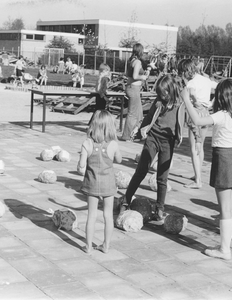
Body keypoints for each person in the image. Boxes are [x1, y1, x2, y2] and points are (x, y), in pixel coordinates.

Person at [181, 77, 232, 260]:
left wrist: (186, 99)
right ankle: (225, 247)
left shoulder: (222, 115)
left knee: (225, 209)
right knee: (229, 208)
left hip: (223, 158)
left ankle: (224, 250)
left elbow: (197, 120)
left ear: (221, 96)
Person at [119, 75, 187, 220]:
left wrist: (180, 138)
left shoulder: (180, 104)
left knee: (162, 177)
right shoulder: (158, 102)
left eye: (163, 93)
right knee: (141, 170)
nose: (161, 96)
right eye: (159, 94)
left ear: (171, 90)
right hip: (153, 138)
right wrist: (139, 129)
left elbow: (182, 122)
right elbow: (149, 118)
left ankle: (160, 209)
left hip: (168, 142)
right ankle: (126, 201)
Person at [78, 110, 122, 254]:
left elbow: (80, 167)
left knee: (91, 216)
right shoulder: (113, 144)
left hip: (92, 183)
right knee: (108, 216)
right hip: (108, 184)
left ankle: (88, 247)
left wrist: (83, 168)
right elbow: (119, 160)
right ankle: (106, 246)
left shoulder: (87, 143)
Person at [178, 59, 216, 189]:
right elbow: (219, 86)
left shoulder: (191, 84)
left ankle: (198, 181)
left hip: (195, 113)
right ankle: (198, 174)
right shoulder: (205, 79)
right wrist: (211, 103)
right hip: (206, 113)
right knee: (201, 146)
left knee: (194, 148)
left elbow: (190, 96)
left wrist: (194, 100)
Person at [120, 43, 148, 141]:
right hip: (134, 89)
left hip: (132, 88)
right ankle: (126, 136)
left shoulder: (131, 60)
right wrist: (143, 77)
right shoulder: (137, 62)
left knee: (139, 113)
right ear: (140, 51)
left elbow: (129, 75)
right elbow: (135, 76)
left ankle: (137, 134)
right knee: (132, 114)